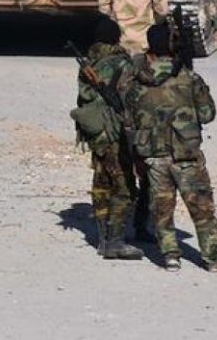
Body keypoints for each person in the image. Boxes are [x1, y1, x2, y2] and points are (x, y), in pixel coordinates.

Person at [121, 25, 217, 273]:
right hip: (185, 155)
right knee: (202, 209)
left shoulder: (135, 81)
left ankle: (170, 256)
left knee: (162, 209)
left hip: (153, 154)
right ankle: (213, 259)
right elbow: (208, 114)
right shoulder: (188, 78)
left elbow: (129, 121)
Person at [70, 18, 141, 260]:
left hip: (95, 131)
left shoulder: (90, 63)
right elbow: (132, 98)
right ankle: (116, 240)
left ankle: (102, 238)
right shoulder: (122, 63)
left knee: (101, 183)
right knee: (124, 186)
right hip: (115, 132)